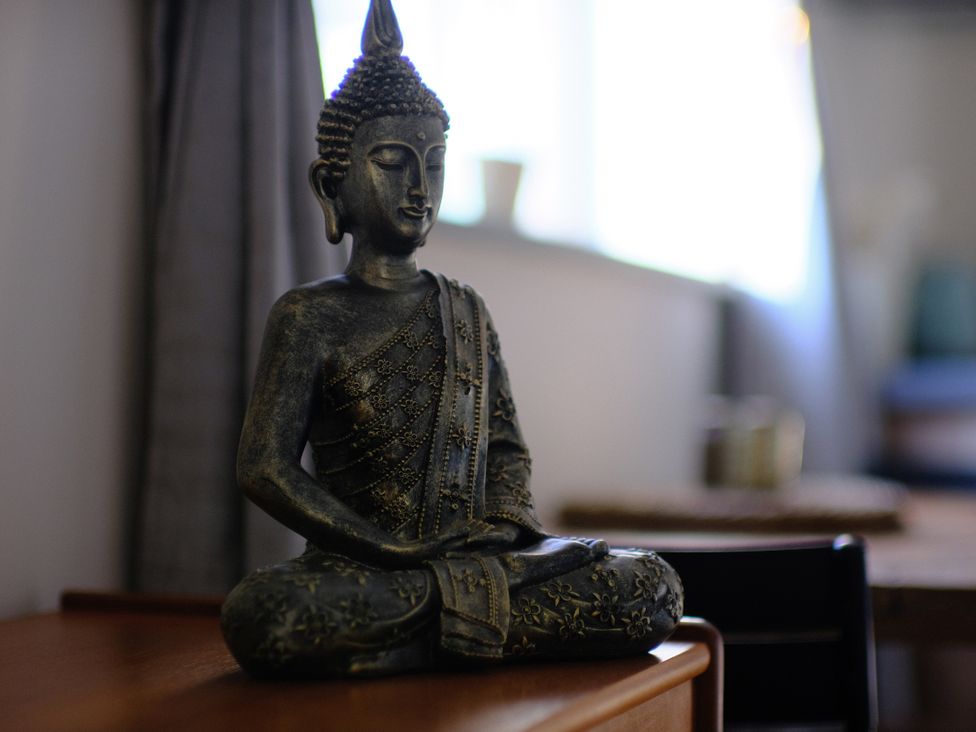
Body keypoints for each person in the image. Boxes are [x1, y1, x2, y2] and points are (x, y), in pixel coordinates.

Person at [221, 0, 682, 679]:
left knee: (650, 584)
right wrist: (391, 549)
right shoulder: (308, 315)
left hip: (467, 562)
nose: (418, 188)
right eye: (393, 162)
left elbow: (506, 454)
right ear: (332, 184)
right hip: (367, 569)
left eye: (433, 164)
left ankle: (414, 641)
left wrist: (500, 528)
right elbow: (263, 467)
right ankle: (462, 627)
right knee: (267, 614)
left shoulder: (465, 309)